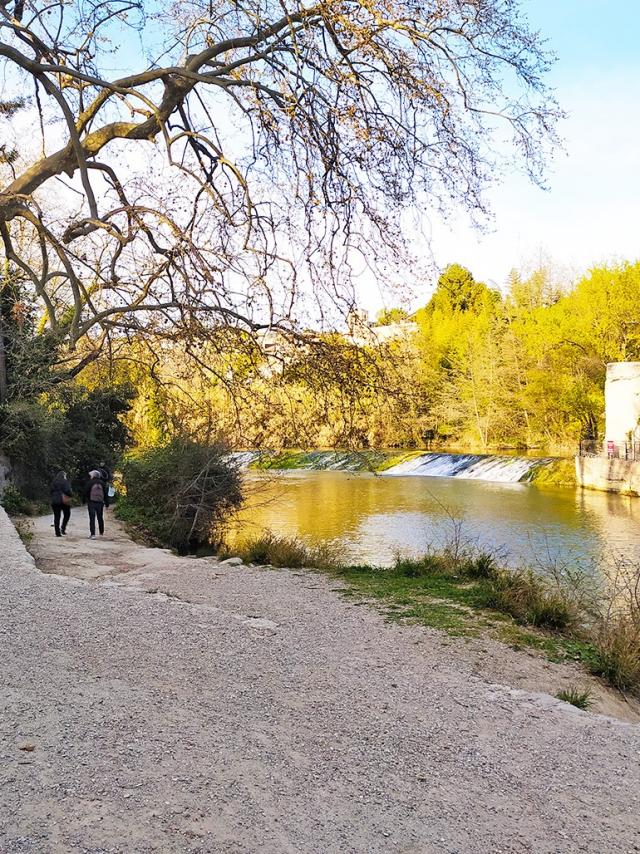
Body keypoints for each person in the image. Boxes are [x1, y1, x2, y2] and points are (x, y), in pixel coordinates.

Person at [84, 469, 110, 539]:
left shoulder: (90, 482)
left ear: (93, 475)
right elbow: (105, 494)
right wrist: (107, 504)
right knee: (100, 517)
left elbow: (86, 492)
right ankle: (101, 533)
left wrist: (84, 501)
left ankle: (93, 534)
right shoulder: (102, 483)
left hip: (91, 502)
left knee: (92, 518)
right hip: (100, 503)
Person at [50, 471, 72, 537]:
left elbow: (51, 491)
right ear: (64, 476)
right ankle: (63, 528)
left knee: (57, 516)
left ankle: (57, 532)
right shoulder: (65, 482)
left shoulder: (54, 482)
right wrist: (70, 495)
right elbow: (67, 490)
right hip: (63, 501)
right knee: (67, 514)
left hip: (55, 501)